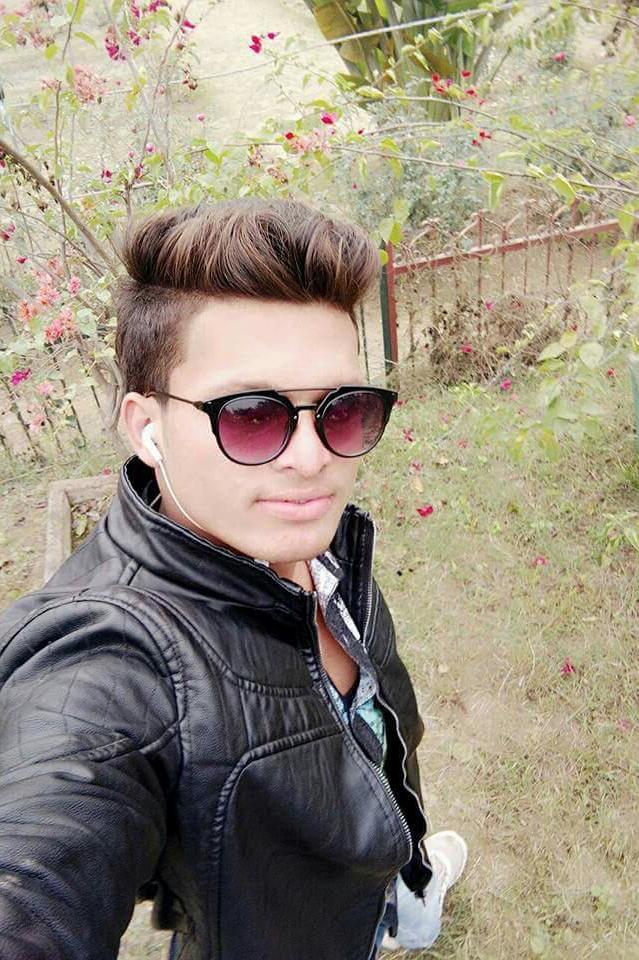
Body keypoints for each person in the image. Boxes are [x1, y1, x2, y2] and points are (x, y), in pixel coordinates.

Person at [0, 199, 466, 960]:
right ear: (147, 427)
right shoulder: (108, 660)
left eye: (342, 409)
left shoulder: (322, 548)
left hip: (371, 857)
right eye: (252, 415)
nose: (312, 459)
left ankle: (410, 888)